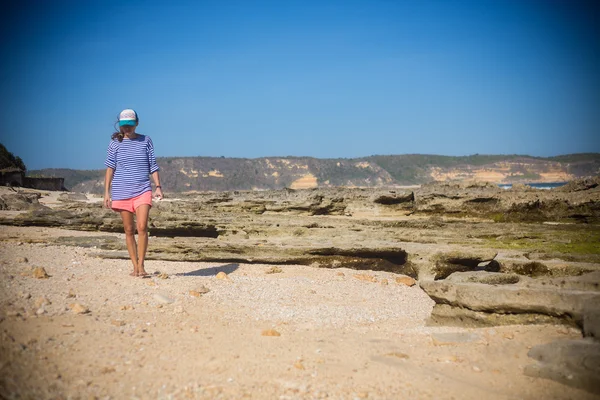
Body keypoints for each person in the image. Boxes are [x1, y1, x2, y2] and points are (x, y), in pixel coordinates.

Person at [103, 109, 163, 277]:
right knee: (129, 230)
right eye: (124, 126)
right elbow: (110, 168)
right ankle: (134, 266)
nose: (127, 129)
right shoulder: (115, 143)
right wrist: (107, 193)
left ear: (136, 123)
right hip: (121, 191)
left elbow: (153, 165)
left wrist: (158, 186)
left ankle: (142, 265)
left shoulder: (146, 141)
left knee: (142, 227)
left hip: (143, 189)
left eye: (130, 125)